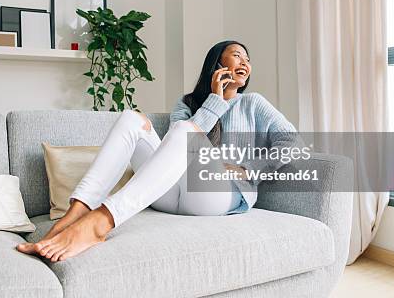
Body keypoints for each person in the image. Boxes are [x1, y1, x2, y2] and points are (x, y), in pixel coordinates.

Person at [17, 40, 299, 262]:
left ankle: (100, 223)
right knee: (132, 118)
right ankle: (73, 215)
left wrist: (249, 168)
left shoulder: (253, 103)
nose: (245, 62)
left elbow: (291, 141)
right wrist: (214, 101)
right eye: (237, 55)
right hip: (172, 193)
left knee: (185, 130)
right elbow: (176, 148)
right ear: (217, 62)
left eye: (248, 59)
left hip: (218, 195)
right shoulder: (188, 102)